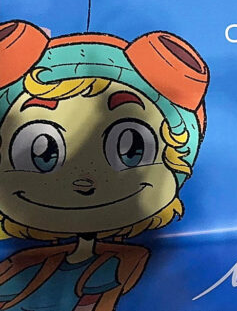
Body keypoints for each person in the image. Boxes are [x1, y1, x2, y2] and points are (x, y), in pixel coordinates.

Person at [0, 21, 209, 310]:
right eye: (43, 152)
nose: (83, 181)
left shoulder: (120, 262)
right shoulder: (24, 263)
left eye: (131, 148)